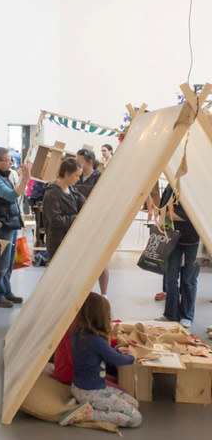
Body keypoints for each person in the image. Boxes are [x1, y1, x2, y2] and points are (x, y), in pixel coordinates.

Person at [60, 293, 141, 428]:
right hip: (93, 392)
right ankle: (89, 414)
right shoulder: (95, 340)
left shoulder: (79, 333)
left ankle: (82, 404)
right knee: (136, 418)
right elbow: (115, 360)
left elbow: (99, 354)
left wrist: (117, 350)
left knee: (134, 404)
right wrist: (132, 356)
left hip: (81, 388)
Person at [0, 147, 30, 308]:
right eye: (8, 160)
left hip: (9, 223)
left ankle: (6, 291)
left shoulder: (3, 175)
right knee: (1, 263)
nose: (11, 162)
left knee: (9, 263)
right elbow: (11, 195)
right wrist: (25, 179)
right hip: (1, 225)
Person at [155, 185, 199, 328]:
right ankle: (170, 314)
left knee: (188, 279)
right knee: (171, 278)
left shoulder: (195, 186)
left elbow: (196, 214)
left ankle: (187, 315)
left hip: (193, 238)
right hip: (173, 238)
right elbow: (163, 209)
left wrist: (172, 214)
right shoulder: (171, 187)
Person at [75, 149, 109, 295]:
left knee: (100, 261)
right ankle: (81, 295)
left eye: (80, 161)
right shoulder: (76, 177)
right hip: (77, 223)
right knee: (80, 262)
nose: (77, 164)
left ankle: (103, 295)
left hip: (96, 224)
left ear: (89, 161)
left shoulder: (99, 177)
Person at [42, 158, 85, 261]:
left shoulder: (72, 190)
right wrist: (76, 218)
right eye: (76, 175)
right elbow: (56, 220)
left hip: (71, 239)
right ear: (67, 173)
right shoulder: (52, 194)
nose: (78, 179)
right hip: (58, 242)